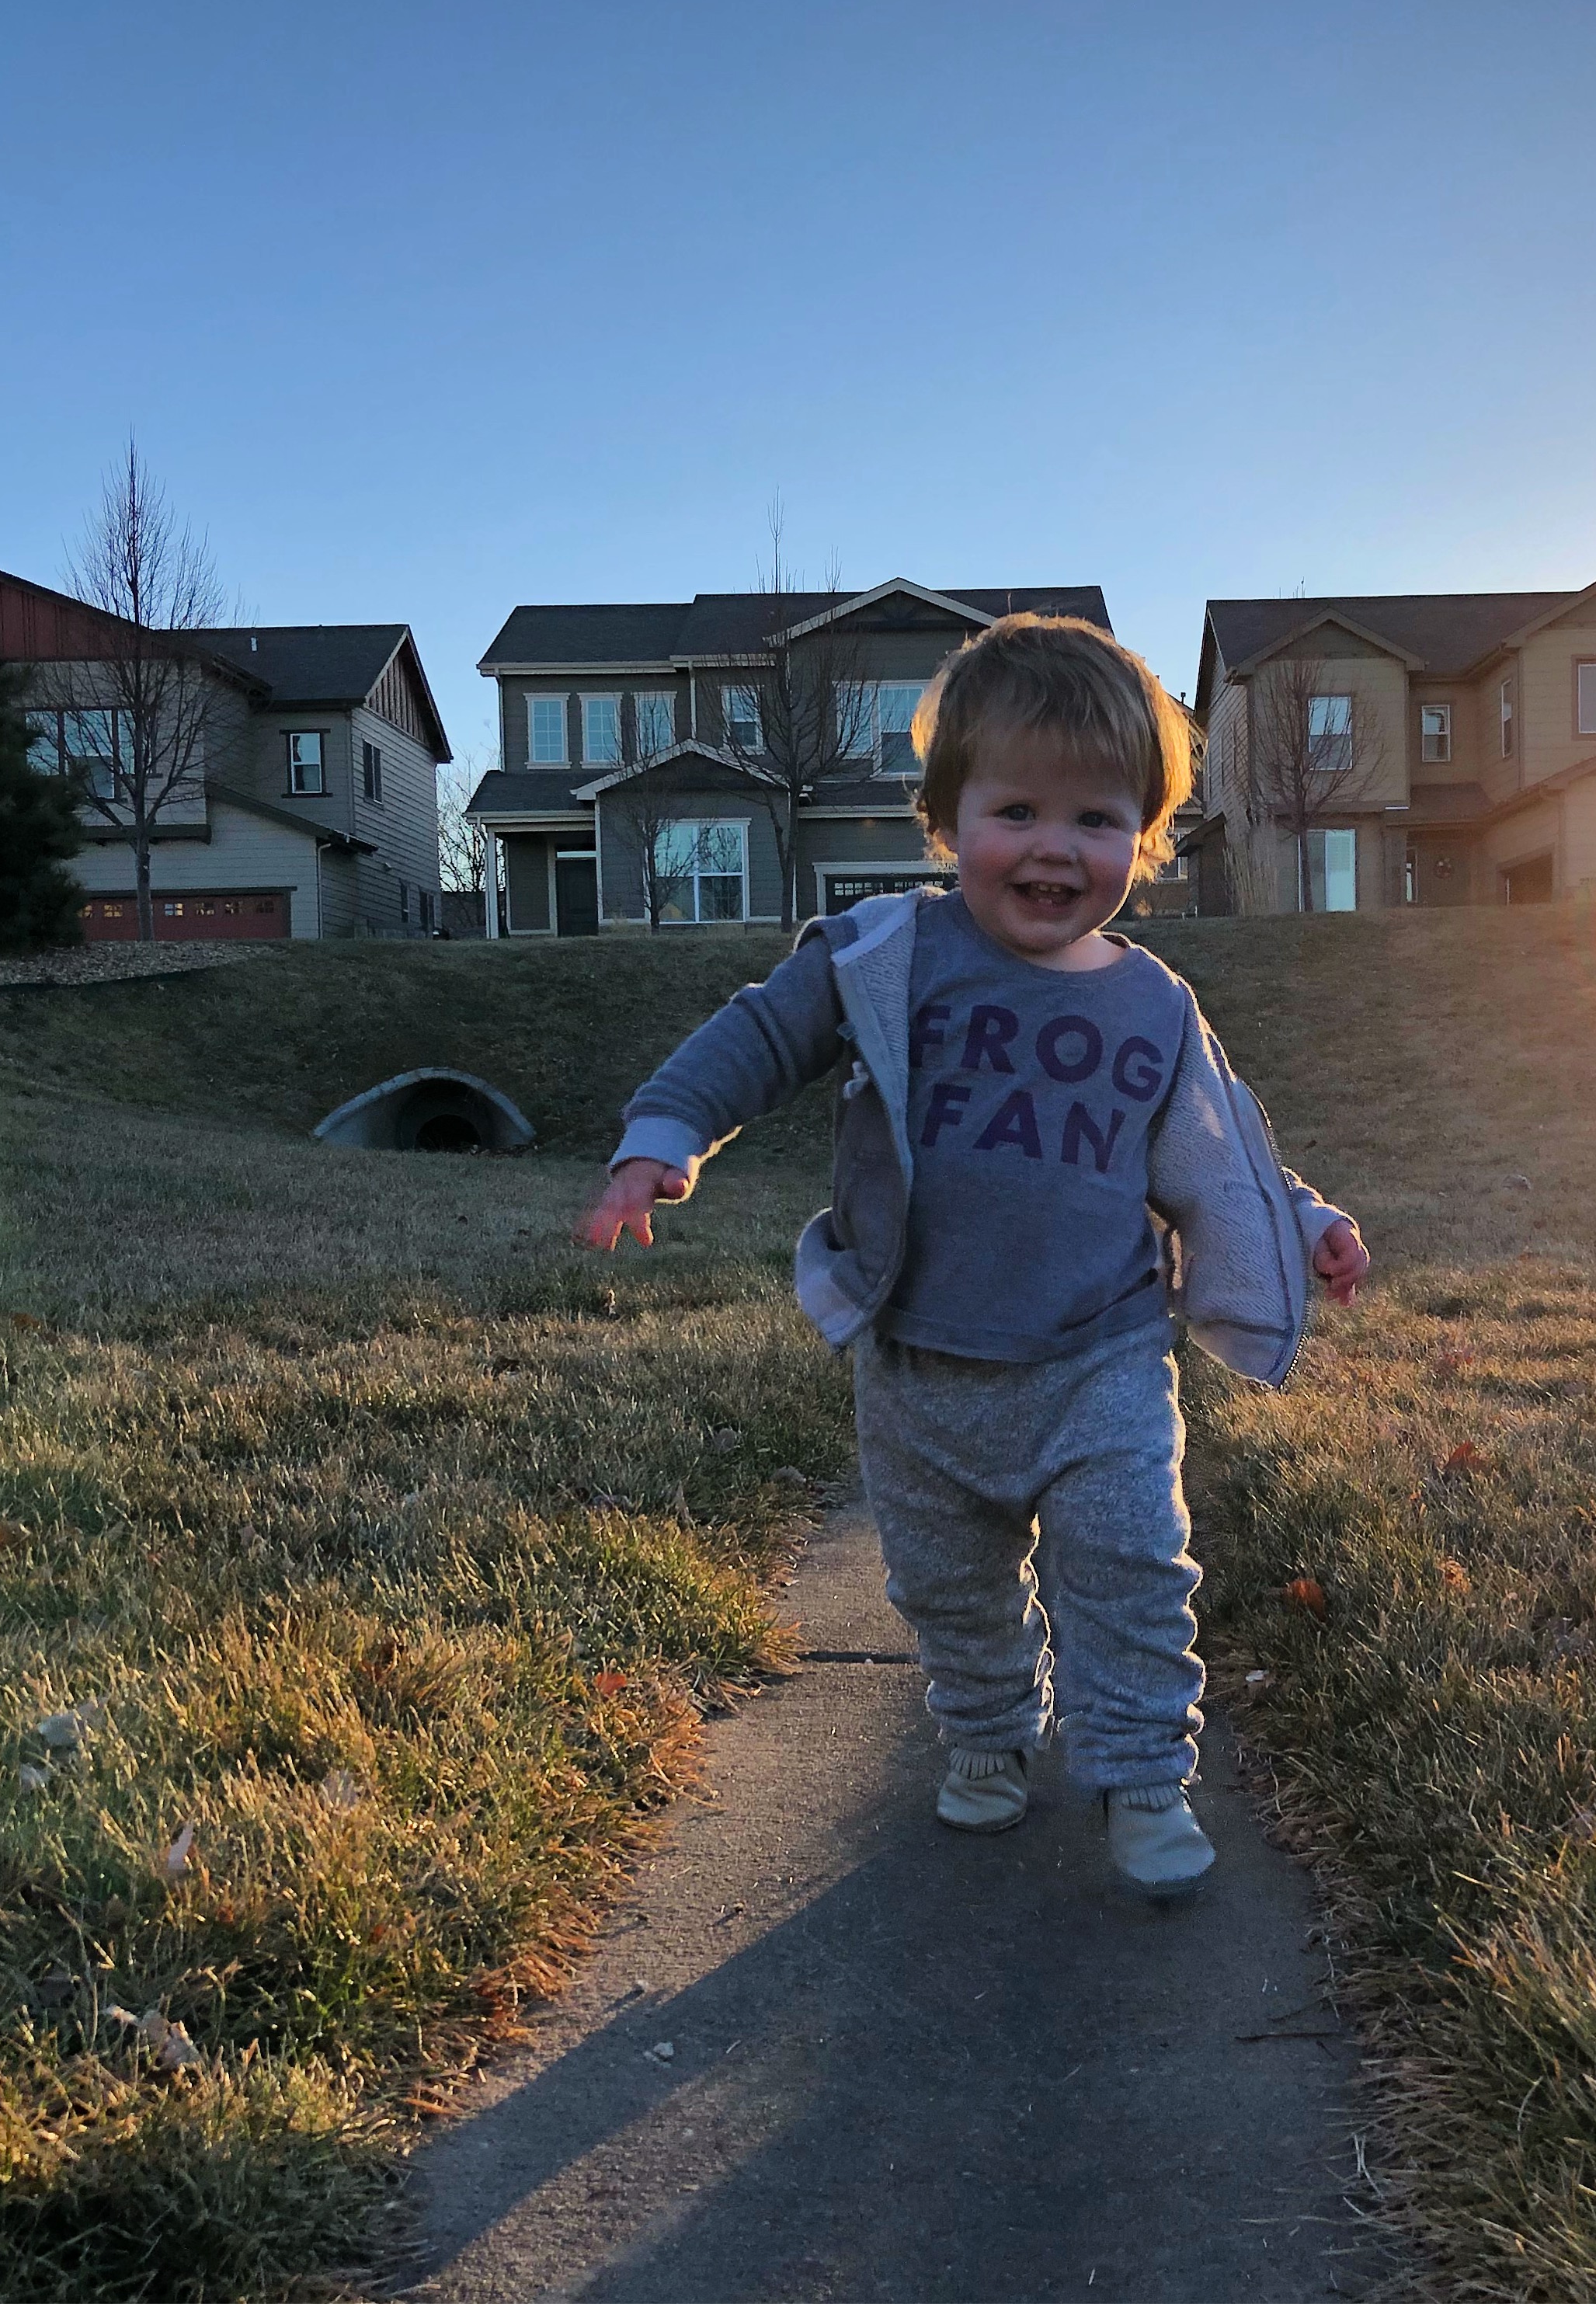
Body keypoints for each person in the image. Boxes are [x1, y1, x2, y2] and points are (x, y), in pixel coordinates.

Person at [576, 614, 1369, 1901]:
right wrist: (661, 1138)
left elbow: (1214, 1151)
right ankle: (989, 1732)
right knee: (948, 1585)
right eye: (1017, 810)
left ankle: (1139, 1772)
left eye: (1098, 819)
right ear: (949, 822)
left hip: (1100, 1353)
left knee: (1129, 1561)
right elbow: (755, 1039)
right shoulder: (887, 955)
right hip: (919, 1356)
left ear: (1143, 839)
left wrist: (1302, 1219)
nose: (1056, 847)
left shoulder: (1154, 1005)